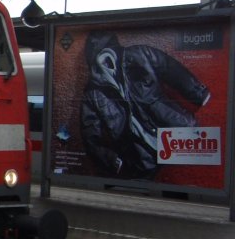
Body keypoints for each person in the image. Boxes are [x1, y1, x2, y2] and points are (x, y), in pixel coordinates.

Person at [79, 31, 210, 178]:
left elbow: (170, 67)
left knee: (190, 175)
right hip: (140, 157)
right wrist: (112, 160)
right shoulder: (92, 93)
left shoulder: (138, 55)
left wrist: (198, 93)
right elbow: (89, 135)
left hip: (175, 130)